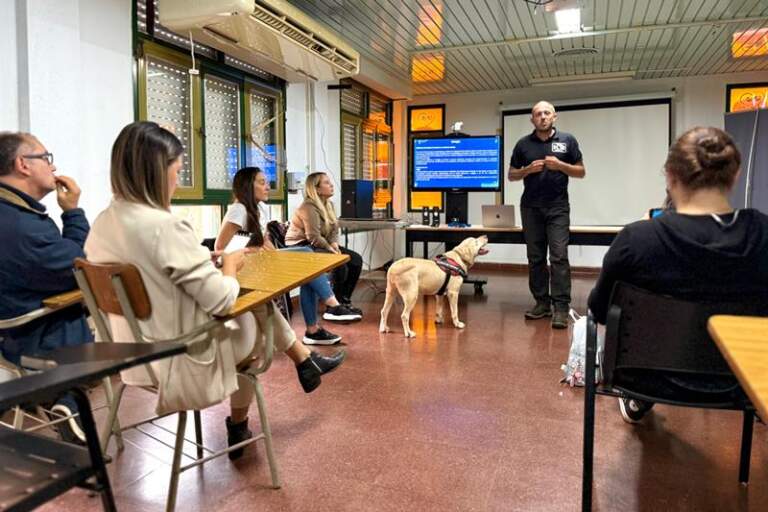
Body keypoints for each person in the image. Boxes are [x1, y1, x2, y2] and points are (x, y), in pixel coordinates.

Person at [85, 122, 346, 459]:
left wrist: (199, 260)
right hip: (181, 357)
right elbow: (222, 301)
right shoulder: (165, 227)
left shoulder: (103, 223)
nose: (178, 183)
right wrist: (229, 265)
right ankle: (273, 389)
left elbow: (154, 275)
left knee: (256, 309)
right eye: (177, 171)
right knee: (259, 313)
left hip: (131, 355)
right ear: (156, 172)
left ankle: (302, 363)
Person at [587, 126, 768, 423]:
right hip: (745, 380)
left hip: (647, 377)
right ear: (735, 176)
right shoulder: (764, 234)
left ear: (670, 177)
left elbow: (599, 311)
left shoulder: (636, 239)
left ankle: (639, 403)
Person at [0, 131, 92, 444]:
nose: (53, 168)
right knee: (86, 317)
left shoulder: (15, 213)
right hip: (29, 337)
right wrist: (73, 212)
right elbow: (78, 265)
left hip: (10, 328)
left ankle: (55, 399)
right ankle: (66, 400)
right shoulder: (21, 225)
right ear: (22, 164)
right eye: (46, 158)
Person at [215, 166, 360, 345]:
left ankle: (313, 330)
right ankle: (333, 306)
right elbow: (221, 247)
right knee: (308, 255)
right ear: (247, 187)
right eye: (262, 183)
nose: (267, 186)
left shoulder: (258, 209)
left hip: (260, 262)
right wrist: (259, 251)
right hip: (244, 268)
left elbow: (261, 241)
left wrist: (275, 255)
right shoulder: (238, 210)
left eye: (267, 182)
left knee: (310, 268)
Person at [508, 101, 586, 329]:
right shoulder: (523, 144)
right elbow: (512, 175)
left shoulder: (567, 140)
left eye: (546, 113)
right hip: (531, 208)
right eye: (538, 114)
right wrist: (526, 171)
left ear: (554, 117)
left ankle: (561, 307)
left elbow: (581, 171)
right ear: (532, 119)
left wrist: (561, 165)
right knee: (535, 257)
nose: (542, 117)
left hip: (558, 208)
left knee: (559, 255)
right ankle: (541, 303)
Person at [285, 172, 364, 318]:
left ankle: (343, 301)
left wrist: (334, 244)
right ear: (317, 189)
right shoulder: (307, 207)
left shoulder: (329, 205)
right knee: (340, 264)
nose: (332, 185)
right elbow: (313, 236)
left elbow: (334, 228)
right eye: (327, 183)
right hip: (302, 246)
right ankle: (333, 307)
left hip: (321, 243)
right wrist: (330, 249)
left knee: (355, 260)